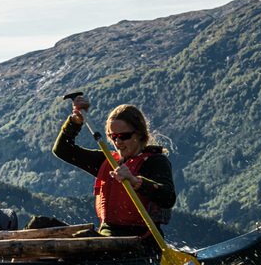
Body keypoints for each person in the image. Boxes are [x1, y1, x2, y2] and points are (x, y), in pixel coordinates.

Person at [50, 96, 175, 237]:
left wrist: (135, 181)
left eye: (124, 136)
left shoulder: (155, 162)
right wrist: (75, 121)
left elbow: (168, 197)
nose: (118, 142)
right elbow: (62, 150)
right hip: (107, 238)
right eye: (113, 136)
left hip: (139, 240)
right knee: (40, 223)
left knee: (83, 237)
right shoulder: (107, 160)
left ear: (140, 134)